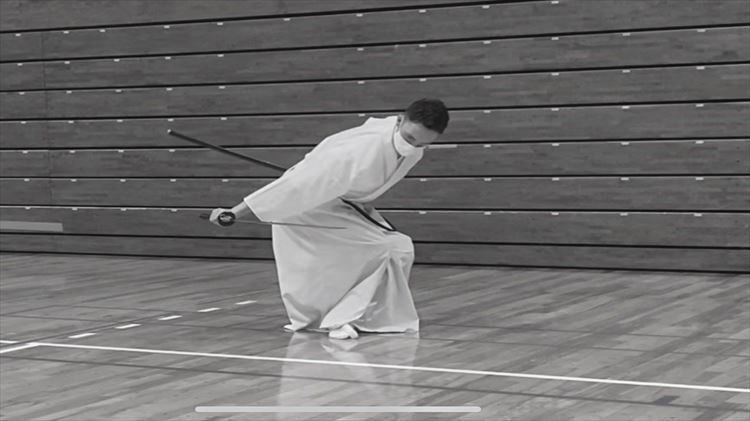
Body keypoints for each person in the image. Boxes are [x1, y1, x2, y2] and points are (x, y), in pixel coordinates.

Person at [209, 98, 449, 339]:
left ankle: (361, 316)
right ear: (399, 120)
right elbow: (294, 186)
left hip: (341, 205)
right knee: (381, 248)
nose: (412, 146)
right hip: (306, 206)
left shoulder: (410, 146)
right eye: (409, 138)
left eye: (422, 144)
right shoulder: (354, 152)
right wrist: (235, 212)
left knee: (399, 247)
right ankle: (339, 318)